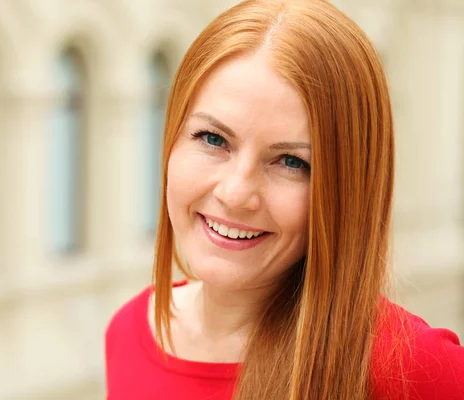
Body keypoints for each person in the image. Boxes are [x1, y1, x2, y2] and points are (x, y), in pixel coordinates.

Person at [105, 0, 464, 399]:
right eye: (213, 139)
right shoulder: (128, 332)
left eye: (292, 162)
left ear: (348, 186)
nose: (236, 193)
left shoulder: (414, 369)